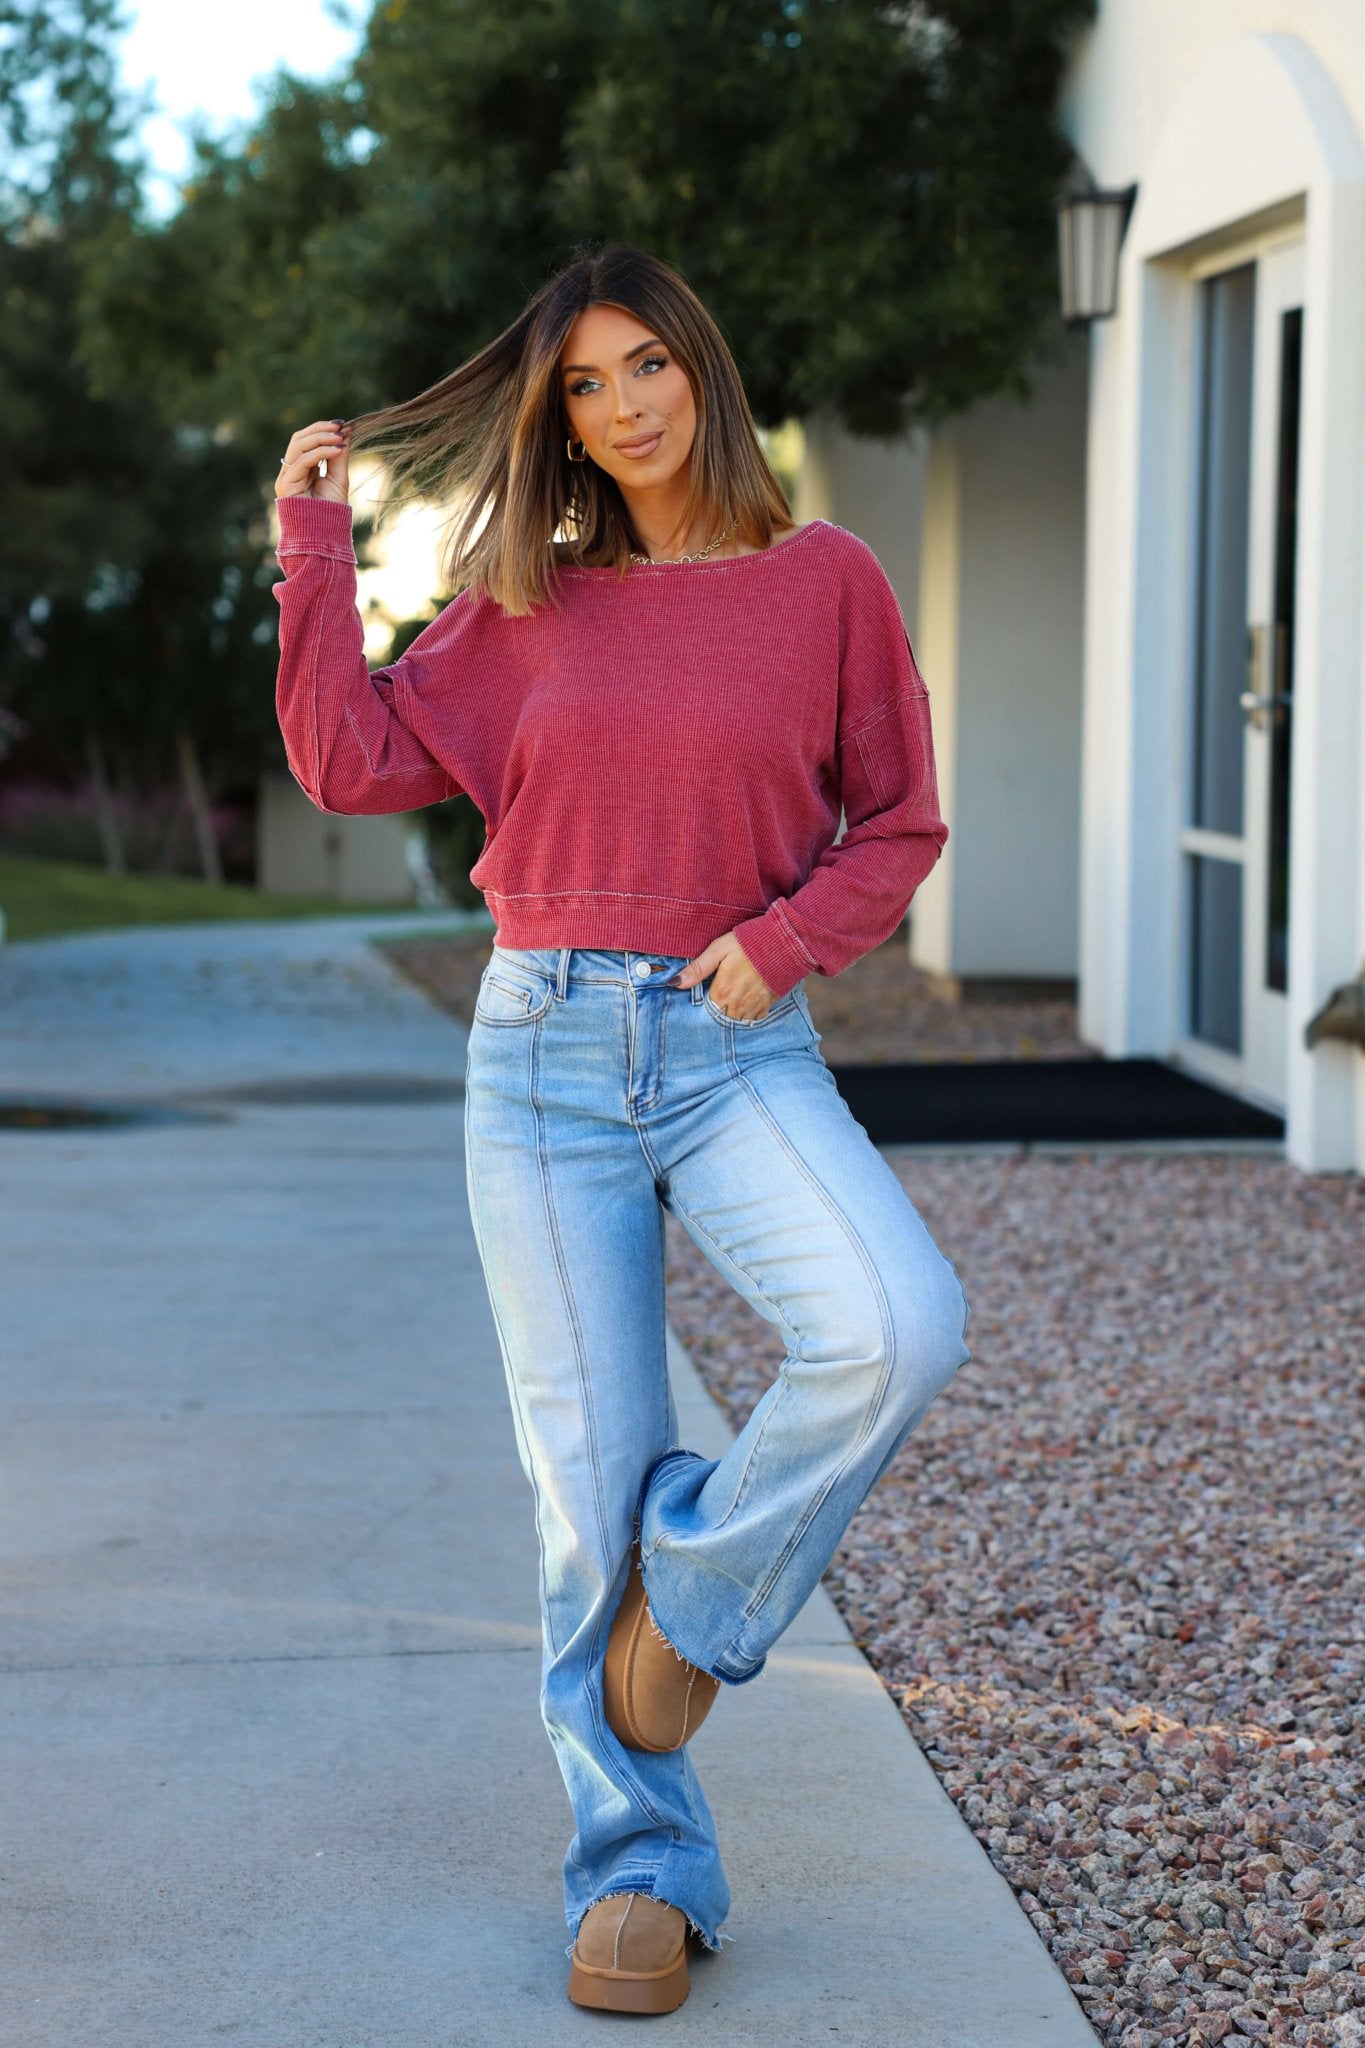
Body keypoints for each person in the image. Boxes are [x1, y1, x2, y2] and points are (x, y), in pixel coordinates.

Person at [272, 242, 971, 2016]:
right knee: (583, 1489)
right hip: (542, 1053)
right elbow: (353, 766)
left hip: (736, 1038)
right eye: (582, 385)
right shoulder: (525, 597)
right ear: (556, 420)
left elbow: (894, 822)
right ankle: (638, 1871)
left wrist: (781, 943)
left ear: (702, 370)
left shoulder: (825, 582)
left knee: (895, 1322)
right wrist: (315, 551)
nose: (622, 406)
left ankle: (702, 1597)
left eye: (644, 364)